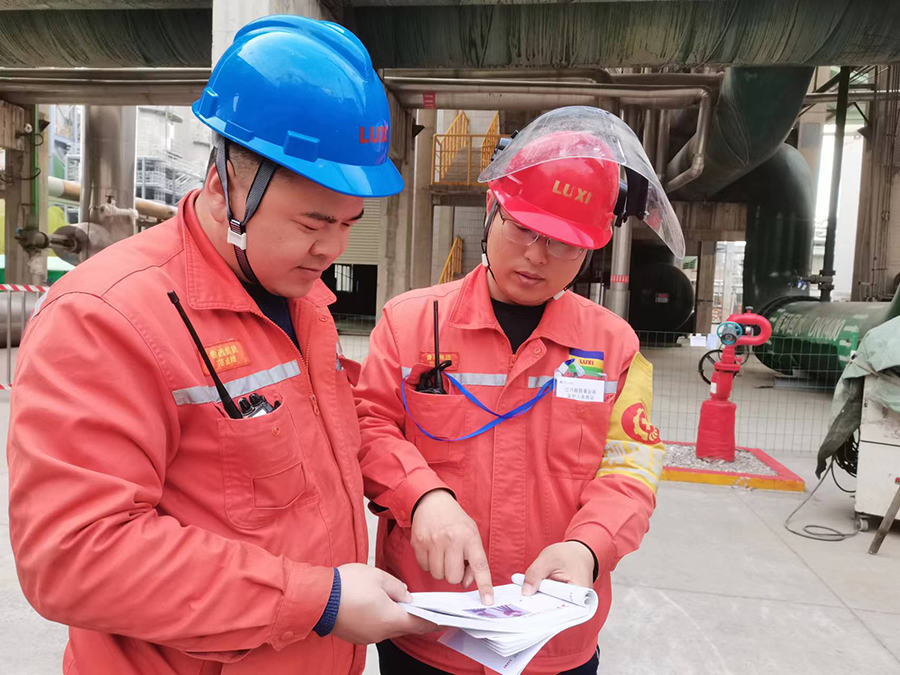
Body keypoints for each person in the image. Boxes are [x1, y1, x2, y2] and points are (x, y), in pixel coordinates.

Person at [7, 15, 431, 675]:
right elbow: (75, 556)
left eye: (350, 222)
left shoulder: (301, 299)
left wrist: (424, 496)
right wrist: (320, 600)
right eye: (313, 221)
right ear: (224, 184)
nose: (333, 248)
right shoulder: (106, 317)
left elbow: (338, 425)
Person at [354, 106, 682, 674]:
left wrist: (588, 547)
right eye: (523, 228)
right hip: (431, 627)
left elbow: (631, 469)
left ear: (591, 247)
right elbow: (368, 427)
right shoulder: (410, 324)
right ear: (492, 208)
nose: (536, 255)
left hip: (551, 638)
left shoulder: (614, 346)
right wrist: (422, 496)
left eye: (563, 242)